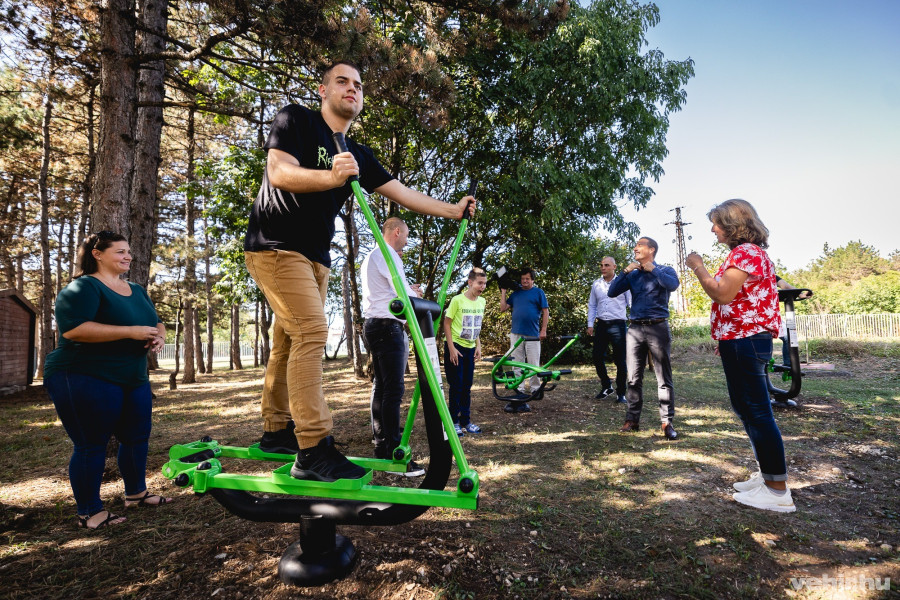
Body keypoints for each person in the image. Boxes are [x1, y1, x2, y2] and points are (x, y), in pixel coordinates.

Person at [243, 61, 475, 482]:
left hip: (316, 258)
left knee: (288, 340)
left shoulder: (358, 155)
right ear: (323, 90)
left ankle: (277, 431)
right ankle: (313, 449)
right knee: (312, 331)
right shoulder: (296, 120)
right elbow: (278, 172)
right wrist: (331, 176)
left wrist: (453, 210)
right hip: (276, 246)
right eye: (342, 82)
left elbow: (402, 193)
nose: (352, 89)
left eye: (359, 85)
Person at [43, 231, 172, 530]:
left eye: (129, 251)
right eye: (120, 251)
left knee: (137, 437)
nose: (128, 256)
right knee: (91, 444)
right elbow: (74, 329)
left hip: (132, 376)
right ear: (97, 254)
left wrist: (160, 336)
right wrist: (130, 332)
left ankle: (136, 494)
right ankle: (89, 512)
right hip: (84, 374)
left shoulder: (136, 290)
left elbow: (156, 321)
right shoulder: (83, 287)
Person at [686, 199, 795, 513]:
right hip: (739, 340)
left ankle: (777, 491)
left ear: (732, 225)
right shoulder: (748, 253)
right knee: (746, 407)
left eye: (716, 223)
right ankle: (767, 476)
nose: (713, 229)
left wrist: (698, 266)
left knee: (757, 411)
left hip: (746, 340)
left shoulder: (746, 252)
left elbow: (722, 293)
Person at [361, 217, 425, 476]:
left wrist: (408, 290)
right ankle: (393, 453)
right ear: (397, 232)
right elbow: (402, 294)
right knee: (393, 391)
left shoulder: (372, 255)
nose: (407, 241)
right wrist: (415, 294)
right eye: (406, 236)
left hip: (374, 324)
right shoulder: (388, 254)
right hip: (387, 327)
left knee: (381, 387)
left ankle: (381, 446)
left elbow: (391, 289)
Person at [607, 237, 680, 440]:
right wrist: (625, 271)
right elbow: (612, 292)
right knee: (633, 377)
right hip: (635, 329)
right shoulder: (633, 274)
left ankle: (667, 422)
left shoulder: (665, 270)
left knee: (663, 378)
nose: (635, 248)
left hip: (658, 327)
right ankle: (632, 420)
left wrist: (653, 270)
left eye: (640, 245)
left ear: (652, 249)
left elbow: (672, 285)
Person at [443, 268, 488, 436]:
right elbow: (446, 323)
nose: (483, 286)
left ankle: (466, 421)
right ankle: (453, 422)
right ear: (470, 283)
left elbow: (476, 325)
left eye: (484, 283)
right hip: (456, 347)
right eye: (479, 283)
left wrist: (478, 345)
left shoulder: (482, 301)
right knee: (456, 385)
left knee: (467, 386)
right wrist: (451, 348)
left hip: (470, 348)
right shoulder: (457, 300)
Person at [499, 268, 549, 413]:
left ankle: (535, 389)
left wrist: (543, 329)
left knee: (533, 363)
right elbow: (503, 308)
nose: (524, 281)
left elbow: (545, 311)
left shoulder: (538, 292)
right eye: (522, 279)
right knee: (517, 363)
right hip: (516, 334)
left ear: (532, 280)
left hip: (533, 334)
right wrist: (503, 291)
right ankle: (519, 389)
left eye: (527, 279)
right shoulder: (516, 293)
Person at [587, 256, 631, 404]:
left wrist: (636, 322)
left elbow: (631, 302)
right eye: (601, 265)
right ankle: (606, 386)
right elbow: (592, 305)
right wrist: (590, 324)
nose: (603, 268)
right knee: (597, 356)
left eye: (606, 265)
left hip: (618, 325)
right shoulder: (596, 284)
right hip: (601, 325)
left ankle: (621, 393)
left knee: (620, 360)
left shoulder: (623, 283)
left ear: (614, 267)